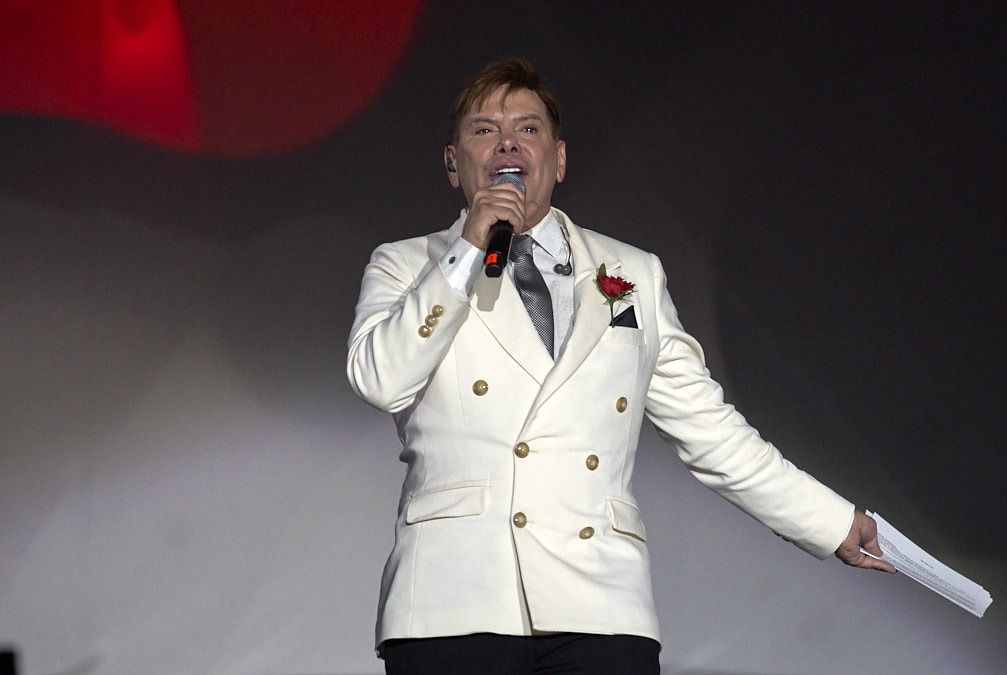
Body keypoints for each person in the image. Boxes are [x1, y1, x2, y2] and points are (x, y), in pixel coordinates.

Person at [347, 58, 895, 674]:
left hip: (600, 605)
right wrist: (469, 250)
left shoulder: (632, 273)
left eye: (528, 129)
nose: (506, 142)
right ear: (454, 162)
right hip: (454, 604)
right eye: (484, 129)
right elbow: (380, 378)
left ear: (558, 159)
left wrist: (829, 521)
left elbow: (709, 429)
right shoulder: (407, 265)